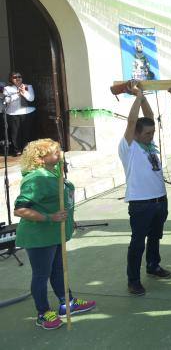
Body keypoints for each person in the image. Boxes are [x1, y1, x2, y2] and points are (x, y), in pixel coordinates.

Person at [14, 139, 96, 330]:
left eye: (60, 150)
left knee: (59, 269)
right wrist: (50, 217)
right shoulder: (36, 178)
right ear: (40, 158)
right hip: (39, 236)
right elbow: (20, 210)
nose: (60, 154)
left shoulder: (54, 172)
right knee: (41, 275)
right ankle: (43, 312)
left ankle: (66, 302)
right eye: (55, 152)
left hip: (54, 233)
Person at [119, 81, 171, 296]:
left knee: (155, 237)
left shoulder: (150, 145)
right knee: (137, 242)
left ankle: (153, 265)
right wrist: (137, 96)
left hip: (159, 199)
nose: (152, 135)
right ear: (137, 133)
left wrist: (145, 98)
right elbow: (133, 121)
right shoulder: (129, 147)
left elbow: (148, 116)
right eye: (148, 133)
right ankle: (133, 280)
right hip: (141, 203)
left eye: (152, 132)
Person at [4, 71, 36, 156]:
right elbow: (7, 100)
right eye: (15, 77)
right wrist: (18, 94)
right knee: (15, 133)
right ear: (11, 79)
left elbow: (31, 98)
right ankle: (17, 150)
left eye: (19, 76)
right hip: (13, 113)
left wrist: (24, 92)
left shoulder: (28, 86)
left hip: (27, 112)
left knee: (27, 132)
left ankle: (26, 149)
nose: (18, 78)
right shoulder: (7, 88)